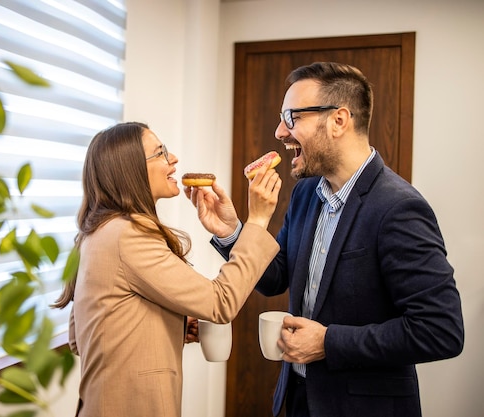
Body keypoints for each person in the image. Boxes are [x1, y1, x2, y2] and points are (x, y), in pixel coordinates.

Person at [185, 62, 464, 417]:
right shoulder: (305, 193)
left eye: (291, 117)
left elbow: (441, 330)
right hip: (297, 399)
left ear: (339, 120)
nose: (279, 132)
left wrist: (327, 342)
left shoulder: (399, 208)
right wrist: (231, 231)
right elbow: (276, 277)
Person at [53, 121, 283, 417]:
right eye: (160, 152)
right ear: (130, 169)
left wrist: (170, 324)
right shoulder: (129, 236)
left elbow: (81, 338)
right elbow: (220, 302)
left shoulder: (96, 232)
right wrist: (257, 221)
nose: (173, 158)